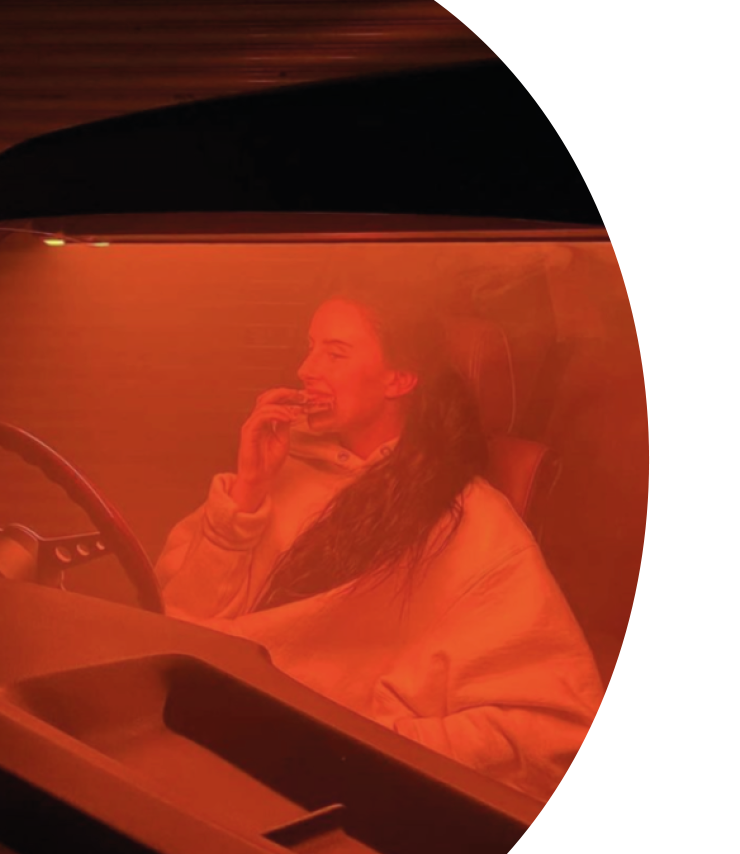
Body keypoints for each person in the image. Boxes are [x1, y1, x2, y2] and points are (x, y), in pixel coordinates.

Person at [153, 282, 612, 816]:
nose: (305, 368)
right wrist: (248, 491)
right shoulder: (284, 469)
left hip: (308, 783)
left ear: (399, 379)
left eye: (335, 353)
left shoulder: (469, 520)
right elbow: (177, 619)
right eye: (310, 347)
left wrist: (367, 745)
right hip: (198, 728)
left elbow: (556, 739)